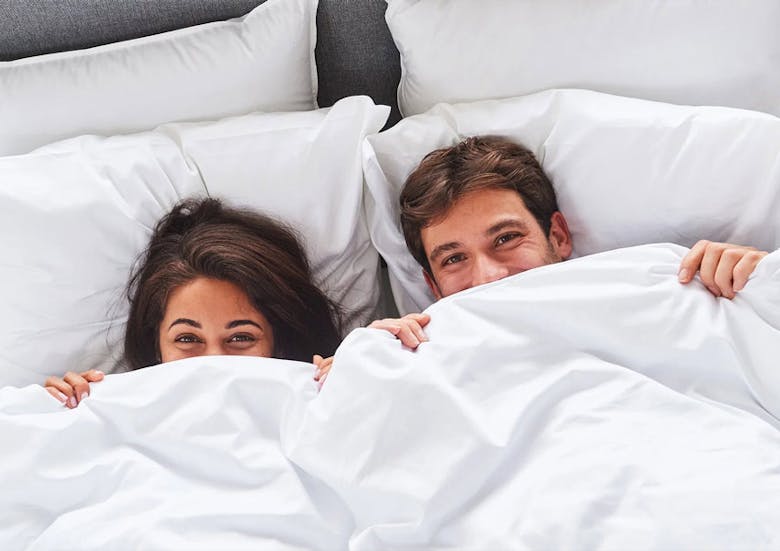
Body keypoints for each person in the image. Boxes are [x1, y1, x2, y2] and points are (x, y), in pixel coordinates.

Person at [369, 136, 770, 349]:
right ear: (433, 286)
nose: (489, 276)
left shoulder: (666, 284)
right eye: (454, 258)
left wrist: (760, 283)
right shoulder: (415, 350)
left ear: (557, 236)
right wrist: (364, 367)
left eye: (506, 238)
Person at [44, 197, 341, 407]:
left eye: (241, 337)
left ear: (278, 344)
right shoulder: (110, 418)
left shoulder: (323, 403)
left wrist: (368, 384)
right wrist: (59, 416)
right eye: (187, 338)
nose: (213, 361)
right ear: (156, 346)